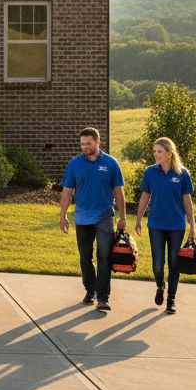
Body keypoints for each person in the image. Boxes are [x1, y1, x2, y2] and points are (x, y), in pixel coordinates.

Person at [59, 128, 126, 313]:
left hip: (105, 215)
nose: (85, 147)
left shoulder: (111, 163)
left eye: (88, 143)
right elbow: (67, 192)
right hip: (82, 217)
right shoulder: (74, 164)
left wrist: (123, 217)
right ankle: (90, 290)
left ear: (98, 142)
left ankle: (103, 297)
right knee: (85, 257)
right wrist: (63, 215)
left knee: (105, 256)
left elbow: (119, 192)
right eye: (82, 144)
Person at [135, 137, 196, 316]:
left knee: (174, 263)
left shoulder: (182, 173)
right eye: (154, 151)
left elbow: (187, 201)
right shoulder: (150, 172)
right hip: (156, 224)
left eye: (159, 151)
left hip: (177, 225)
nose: (155, 155)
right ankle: (160, 285)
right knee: (158, 264)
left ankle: (171, 299)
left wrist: (193, 226)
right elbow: (145, 196)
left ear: (169, 153)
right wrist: (138, 218)